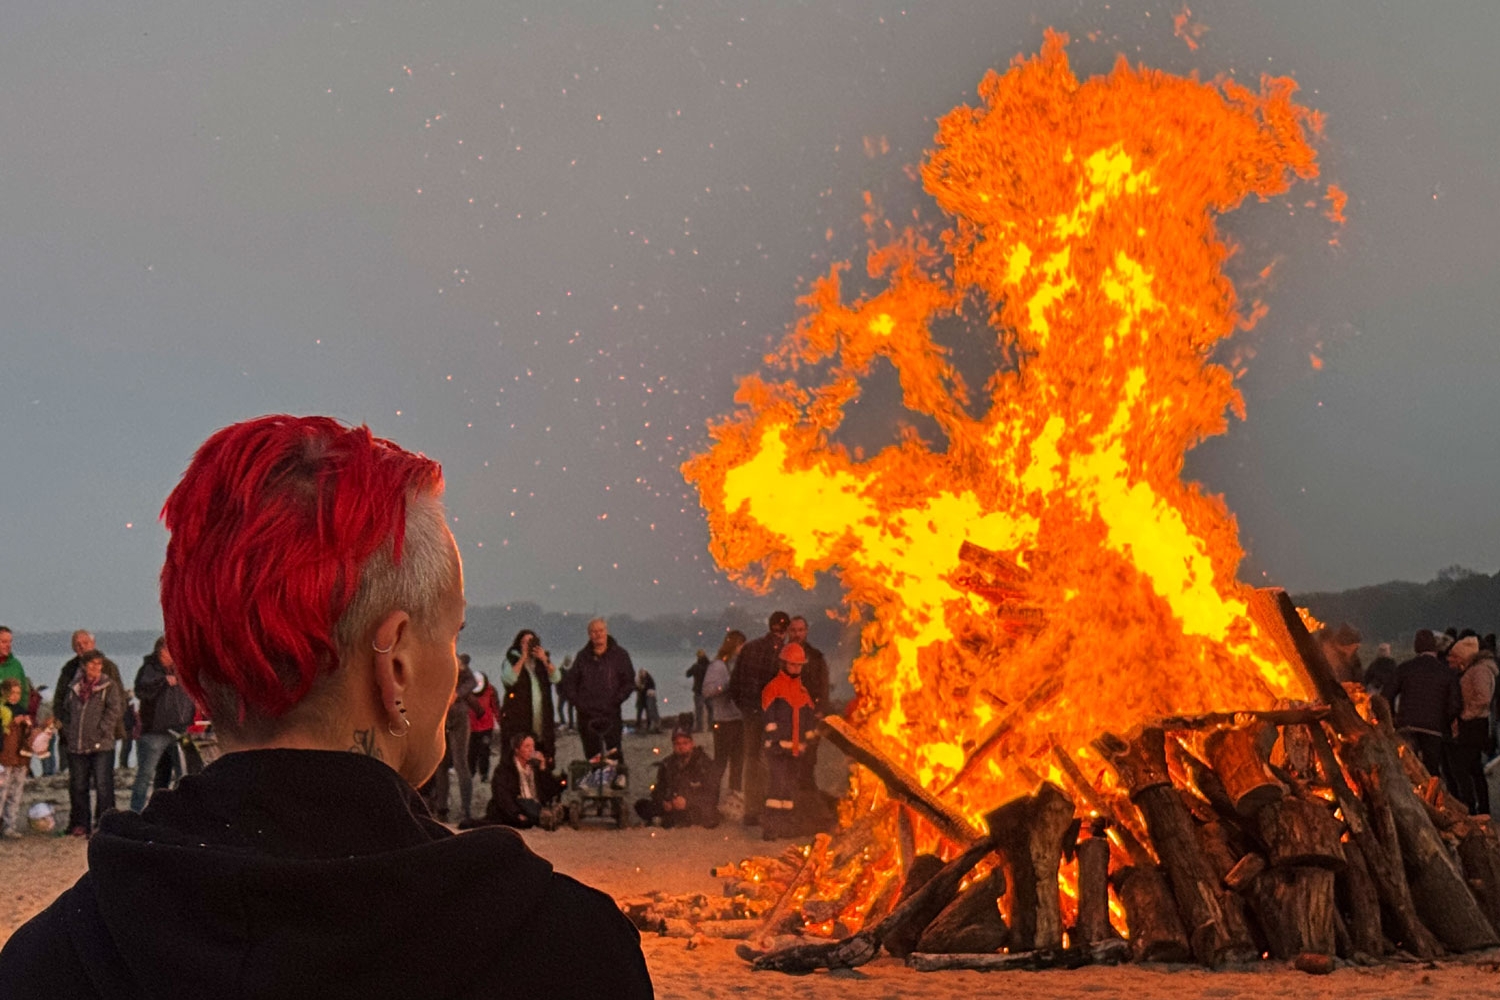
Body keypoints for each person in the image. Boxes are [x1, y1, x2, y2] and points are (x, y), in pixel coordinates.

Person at [0, 414, 651, 998]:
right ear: (394, 662)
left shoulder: (44, 963)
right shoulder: (570, 954)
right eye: (451, 634)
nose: (453, 666)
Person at [730, 610, 789, 826]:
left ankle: (751, 810)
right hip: (771, 715)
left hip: (751, 714)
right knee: (769, 759)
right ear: (785, 630)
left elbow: (734, 684)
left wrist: (745, 707)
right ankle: (765, 807)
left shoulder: (750, 648)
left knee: (751, 759)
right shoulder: (783, 653)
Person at [760, 642, 822, 841]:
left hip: (796, 750)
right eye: (792, 664)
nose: (796, 668)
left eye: (799, 665)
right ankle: (770, 828)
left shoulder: (803, 691)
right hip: (778, 750)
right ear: (783, 664)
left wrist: (810, 741)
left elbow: (809, 719)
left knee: (788, 790)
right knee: (775, 790)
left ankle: (785, 827)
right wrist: (775, 741)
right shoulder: (774, 688)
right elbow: (768, 718)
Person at [130, 637, 198, 813]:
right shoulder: (149, 668)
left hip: (181, 730)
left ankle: (181, 812)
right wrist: (162, 682)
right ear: (160, 651)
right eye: (169, 650)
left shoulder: (183, 668)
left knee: (185, 773)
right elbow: (141, 691)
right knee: (146, 774)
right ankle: (136, 812)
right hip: (155, 732)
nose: (172, 654)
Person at [63, 649, 124, 836]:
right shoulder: (74, 686)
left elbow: (114, 710)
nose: (96, 667)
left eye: (99, 664)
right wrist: (69, 730)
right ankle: (81, 823)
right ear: (84, 665)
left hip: (101, 744)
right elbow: (67, 709)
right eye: (92, 664)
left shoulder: (108, 686)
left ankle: (104, 823)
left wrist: (102, 731)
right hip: (77, 743)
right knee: (79, 785)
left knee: (103, 784)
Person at [1387, 629, 1461, 778]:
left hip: (1407, 726)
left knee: (1407, 769)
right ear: (1435, 648)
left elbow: (1386, 695)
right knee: (1431, 771)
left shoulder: (1405, 668)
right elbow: (1455, 705)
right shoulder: (1447, 673)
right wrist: (1446, 722)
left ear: (1416, 647)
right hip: (1434, 729)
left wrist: (1393, 718)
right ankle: (1431, 799)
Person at [558, 618, 635, 762]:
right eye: (594, 632)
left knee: (614, 750)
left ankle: (618, 777)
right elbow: (570, 683)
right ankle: (595, 777)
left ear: (606, 631)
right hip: (586, 714)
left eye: (600, 631)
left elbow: (629, 682)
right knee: (592, 753)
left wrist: (616, 700)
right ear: (589, 635)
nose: (597, 634)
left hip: (610, 711)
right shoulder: (582, 656)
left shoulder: (620, 655)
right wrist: (579, 703)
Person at [53, 630, 123, 775]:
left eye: (85, 643)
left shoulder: (108, 667)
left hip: (102, 737)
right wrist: (66, 726)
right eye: (77, 644)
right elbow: (59, 700)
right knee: (76, 779)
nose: (81, 647)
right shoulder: (69, 669)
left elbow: (118, 702)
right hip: (73, 736)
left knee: (102, 779)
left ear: (93, 644)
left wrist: (104, 728)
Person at [420, 651, 477, 823]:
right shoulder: (431, 659)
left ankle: (465, 811)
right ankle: (442, 808)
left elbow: (471, 681)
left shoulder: (452, 657)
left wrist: (456, 694)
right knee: (440, 763)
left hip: (456, 714)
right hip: (439, 715)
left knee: (460, 763)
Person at [466, 733, 564, 831]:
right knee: (526, 811)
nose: (531, 750)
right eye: (527, 746)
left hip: (535, 805)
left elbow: (550, 790)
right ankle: (546, 818)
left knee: (538, 807)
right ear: (517, 750)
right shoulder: (505, 769)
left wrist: (543, 767)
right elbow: (503, 796)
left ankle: (549, 816)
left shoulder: (535, 767)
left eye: (533, 746)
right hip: (517, 807)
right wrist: (516, 813)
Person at [1446, 635, 1496, 815]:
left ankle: (1469, 807)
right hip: (1474, 724)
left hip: (1473, 725)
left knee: (1462, 768)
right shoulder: (1476, 669)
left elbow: (1483, 698)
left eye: (1454, 656)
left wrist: (1466, 715)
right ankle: (1482, 809)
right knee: (1475, 769)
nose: (1450, 660)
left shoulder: (1479, 671)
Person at [635, 727, 719, 828]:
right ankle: (667, 819)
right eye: (677, 744)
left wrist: (687, 801)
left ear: (692, 744)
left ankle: (665, 821)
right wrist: (664, 801)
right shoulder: (667, 764)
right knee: (641, 805)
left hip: (694, 807)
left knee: (704, 813)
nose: (681, 747)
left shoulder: (704, 764)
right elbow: (658, 789)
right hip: (673, 805)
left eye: (685, 743)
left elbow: (712, 793)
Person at [501, 630, 558, 763]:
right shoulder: (511, 659)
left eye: (531, 642)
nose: (528, 645)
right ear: (519, 644)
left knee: (543, 754)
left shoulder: (541, 662)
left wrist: (544, 659)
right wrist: (523, 658)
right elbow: (509, 679)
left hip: (541, 717)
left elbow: (556, 677)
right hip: (518, 717)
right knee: (519, 754)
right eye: (524, 642)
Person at [702, 630, 746, 795]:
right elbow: (707, 691)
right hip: (723, 721)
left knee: (738, 762)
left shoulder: (738, 664)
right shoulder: (718, 666)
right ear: (734, 645)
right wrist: (727, 684)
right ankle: (711, 798)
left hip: (739, 719)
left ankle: (734, 795)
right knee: (720, 762)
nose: (743, 649)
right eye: (742, 645)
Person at [0, 678, 33, 838]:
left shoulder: (22, 709)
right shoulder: (2, 710)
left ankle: (10, 826)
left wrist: (29, 725)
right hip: (4, 757)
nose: (15, 696)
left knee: (15, 793)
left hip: (20, 757)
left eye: (18, 693)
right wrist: (13, 723)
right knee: (2, 792)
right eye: (12, 692)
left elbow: (28, 736)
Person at [468, 670, 500, 781]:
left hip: (486, 727)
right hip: (470, 727)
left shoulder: (491, 691)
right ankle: (470, 773)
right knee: (471, 751)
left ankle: (484, 774)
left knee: (484, 751)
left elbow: (496, 707)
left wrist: (500, 722)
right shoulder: (466, 690)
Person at [0, 628, 31, 709]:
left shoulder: (16, 665)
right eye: (4, 642)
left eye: (10, 642)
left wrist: (22, 712)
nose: (8, 645)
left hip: (14, 715)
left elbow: (24, 692)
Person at [686, 649, 710, 733]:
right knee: (711, 709)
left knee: (699, 710)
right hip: (709, 690)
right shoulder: (709, 666)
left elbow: (687, 674)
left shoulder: (696, 666)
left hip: (698, 691)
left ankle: (699, 728)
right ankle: (711, 727)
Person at [634, 668, 659, 734]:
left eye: (642, 674)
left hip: (646, 697)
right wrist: (639, 687)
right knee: (640, 712)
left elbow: (648, 687)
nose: (642, 675)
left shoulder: (648, 679)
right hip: (641, 698)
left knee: (647, 712)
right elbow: (636, 687)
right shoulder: (639, 679)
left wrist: (641, 688)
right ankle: (638, 725)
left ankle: (648, 725)